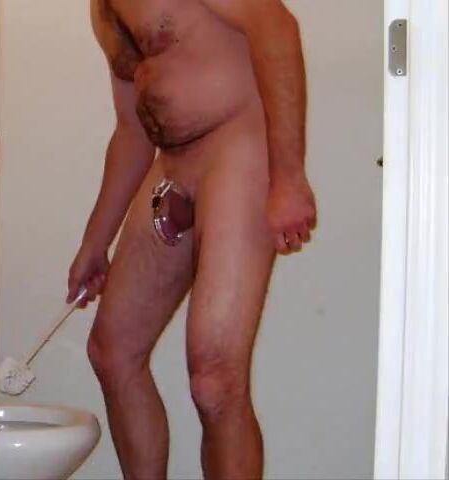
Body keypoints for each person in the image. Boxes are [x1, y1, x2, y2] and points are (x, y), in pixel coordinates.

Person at [67, 1, 317, 478]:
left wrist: (288, 177)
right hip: (172, 165)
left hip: (237, 146)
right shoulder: (103, 9)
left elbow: (275, 25)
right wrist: (94, 243)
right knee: (112, 352)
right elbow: (131, 131)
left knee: (215, 380)